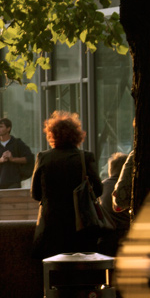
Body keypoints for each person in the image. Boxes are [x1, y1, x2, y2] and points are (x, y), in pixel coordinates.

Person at [30, 111, 102, 259]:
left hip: (51, 228)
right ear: (77, 135)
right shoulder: (85, 157)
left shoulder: (43, 157)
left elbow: (35, 194)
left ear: (52, 135)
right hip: (80, 227)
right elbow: (98, 190)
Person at [97, 151, 131, 255]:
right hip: (126, 236)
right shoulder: (128, 188)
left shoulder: (101, 186)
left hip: (106, 238)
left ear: (110, 169)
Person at [0, 117, 34, 189]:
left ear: (8, 129)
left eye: (1, 127)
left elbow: (29, 158)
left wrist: (13, 159)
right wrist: (1, 160)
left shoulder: (17, 143)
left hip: (14, 182)